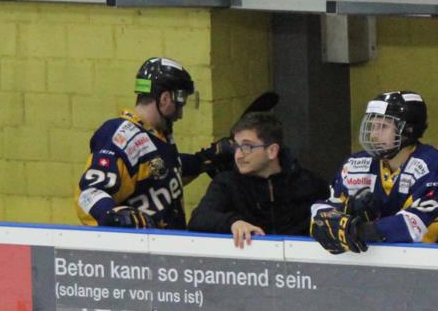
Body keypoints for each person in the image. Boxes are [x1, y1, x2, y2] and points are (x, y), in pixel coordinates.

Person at [74, 57, 222, 230]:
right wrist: (111, 214)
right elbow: (88, 193)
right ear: (165, 98)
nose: (180, 114)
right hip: (137, 249)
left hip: (165, 245)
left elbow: (162, 171)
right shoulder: (119, 136)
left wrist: (205, 160)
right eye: (179, 104)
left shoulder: (158, 134)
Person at [310, 91, 438, 254]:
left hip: (431, 264)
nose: (373, 134)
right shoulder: (356, 164)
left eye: (383, 127)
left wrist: (359, 231)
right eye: (372, 126)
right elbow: (324, 206)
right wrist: (324, 221)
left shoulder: (435, 164)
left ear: (408, 129)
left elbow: (417, 227)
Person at [188, 112, 329, 248]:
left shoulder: (310, 184)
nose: (238, 155)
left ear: (272, 151)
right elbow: (199, 219)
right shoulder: (227, 183)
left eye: (247, 147)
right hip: (248, 270)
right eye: (236, 147)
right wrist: (233, 222)